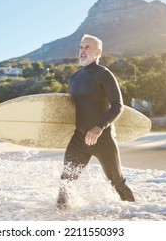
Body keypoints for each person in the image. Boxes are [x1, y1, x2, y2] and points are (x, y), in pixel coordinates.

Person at [57, 34, 135, 208]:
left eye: (87, 47)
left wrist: (99, 127)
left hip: (103, 138)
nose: (82, 51)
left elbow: (118, 106)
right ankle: (59, 220)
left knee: (117, 182)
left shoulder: (104, 75)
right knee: (65, 182)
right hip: (79, 139)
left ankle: (138, 216)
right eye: (81, 47)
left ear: (98, 52)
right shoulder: (74, 78)